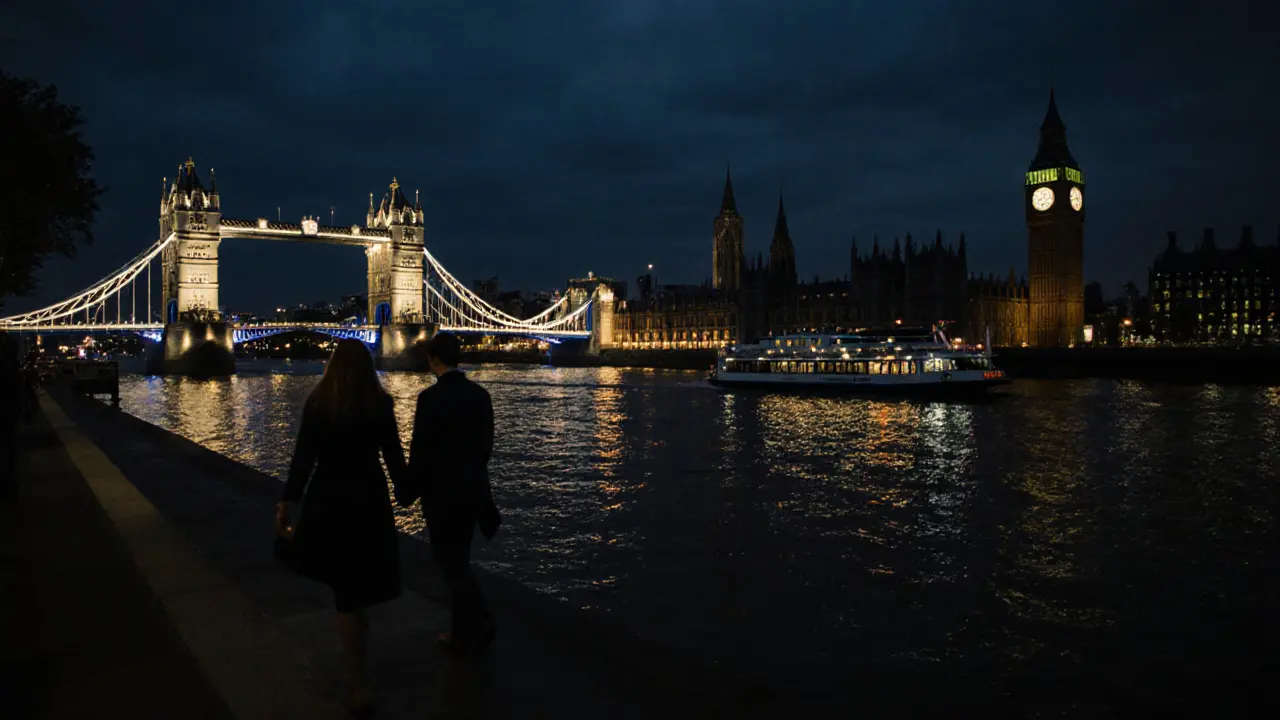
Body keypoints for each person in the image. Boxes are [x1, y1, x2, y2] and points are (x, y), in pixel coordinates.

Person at [277, 339, 407, 713]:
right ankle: (360, 681)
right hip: (368, 501)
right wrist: (411, 491)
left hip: (328, 500)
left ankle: (358, 681)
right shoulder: (380, 405)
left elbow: (303, 461)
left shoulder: (318, 405)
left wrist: (288, 501)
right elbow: (395, 461)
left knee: (345, 593)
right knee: (356, 591)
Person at [403, 332, 501, 657]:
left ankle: (482, 620)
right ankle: (460, 633)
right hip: (473, 492)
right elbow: (486, 448)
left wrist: (408, 490)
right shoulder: (481, 396)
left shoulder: (429, 399)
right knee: (460, 557)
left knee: (450, 564)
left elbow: (420, 451)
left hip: (440, 494)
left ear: (433, 360)